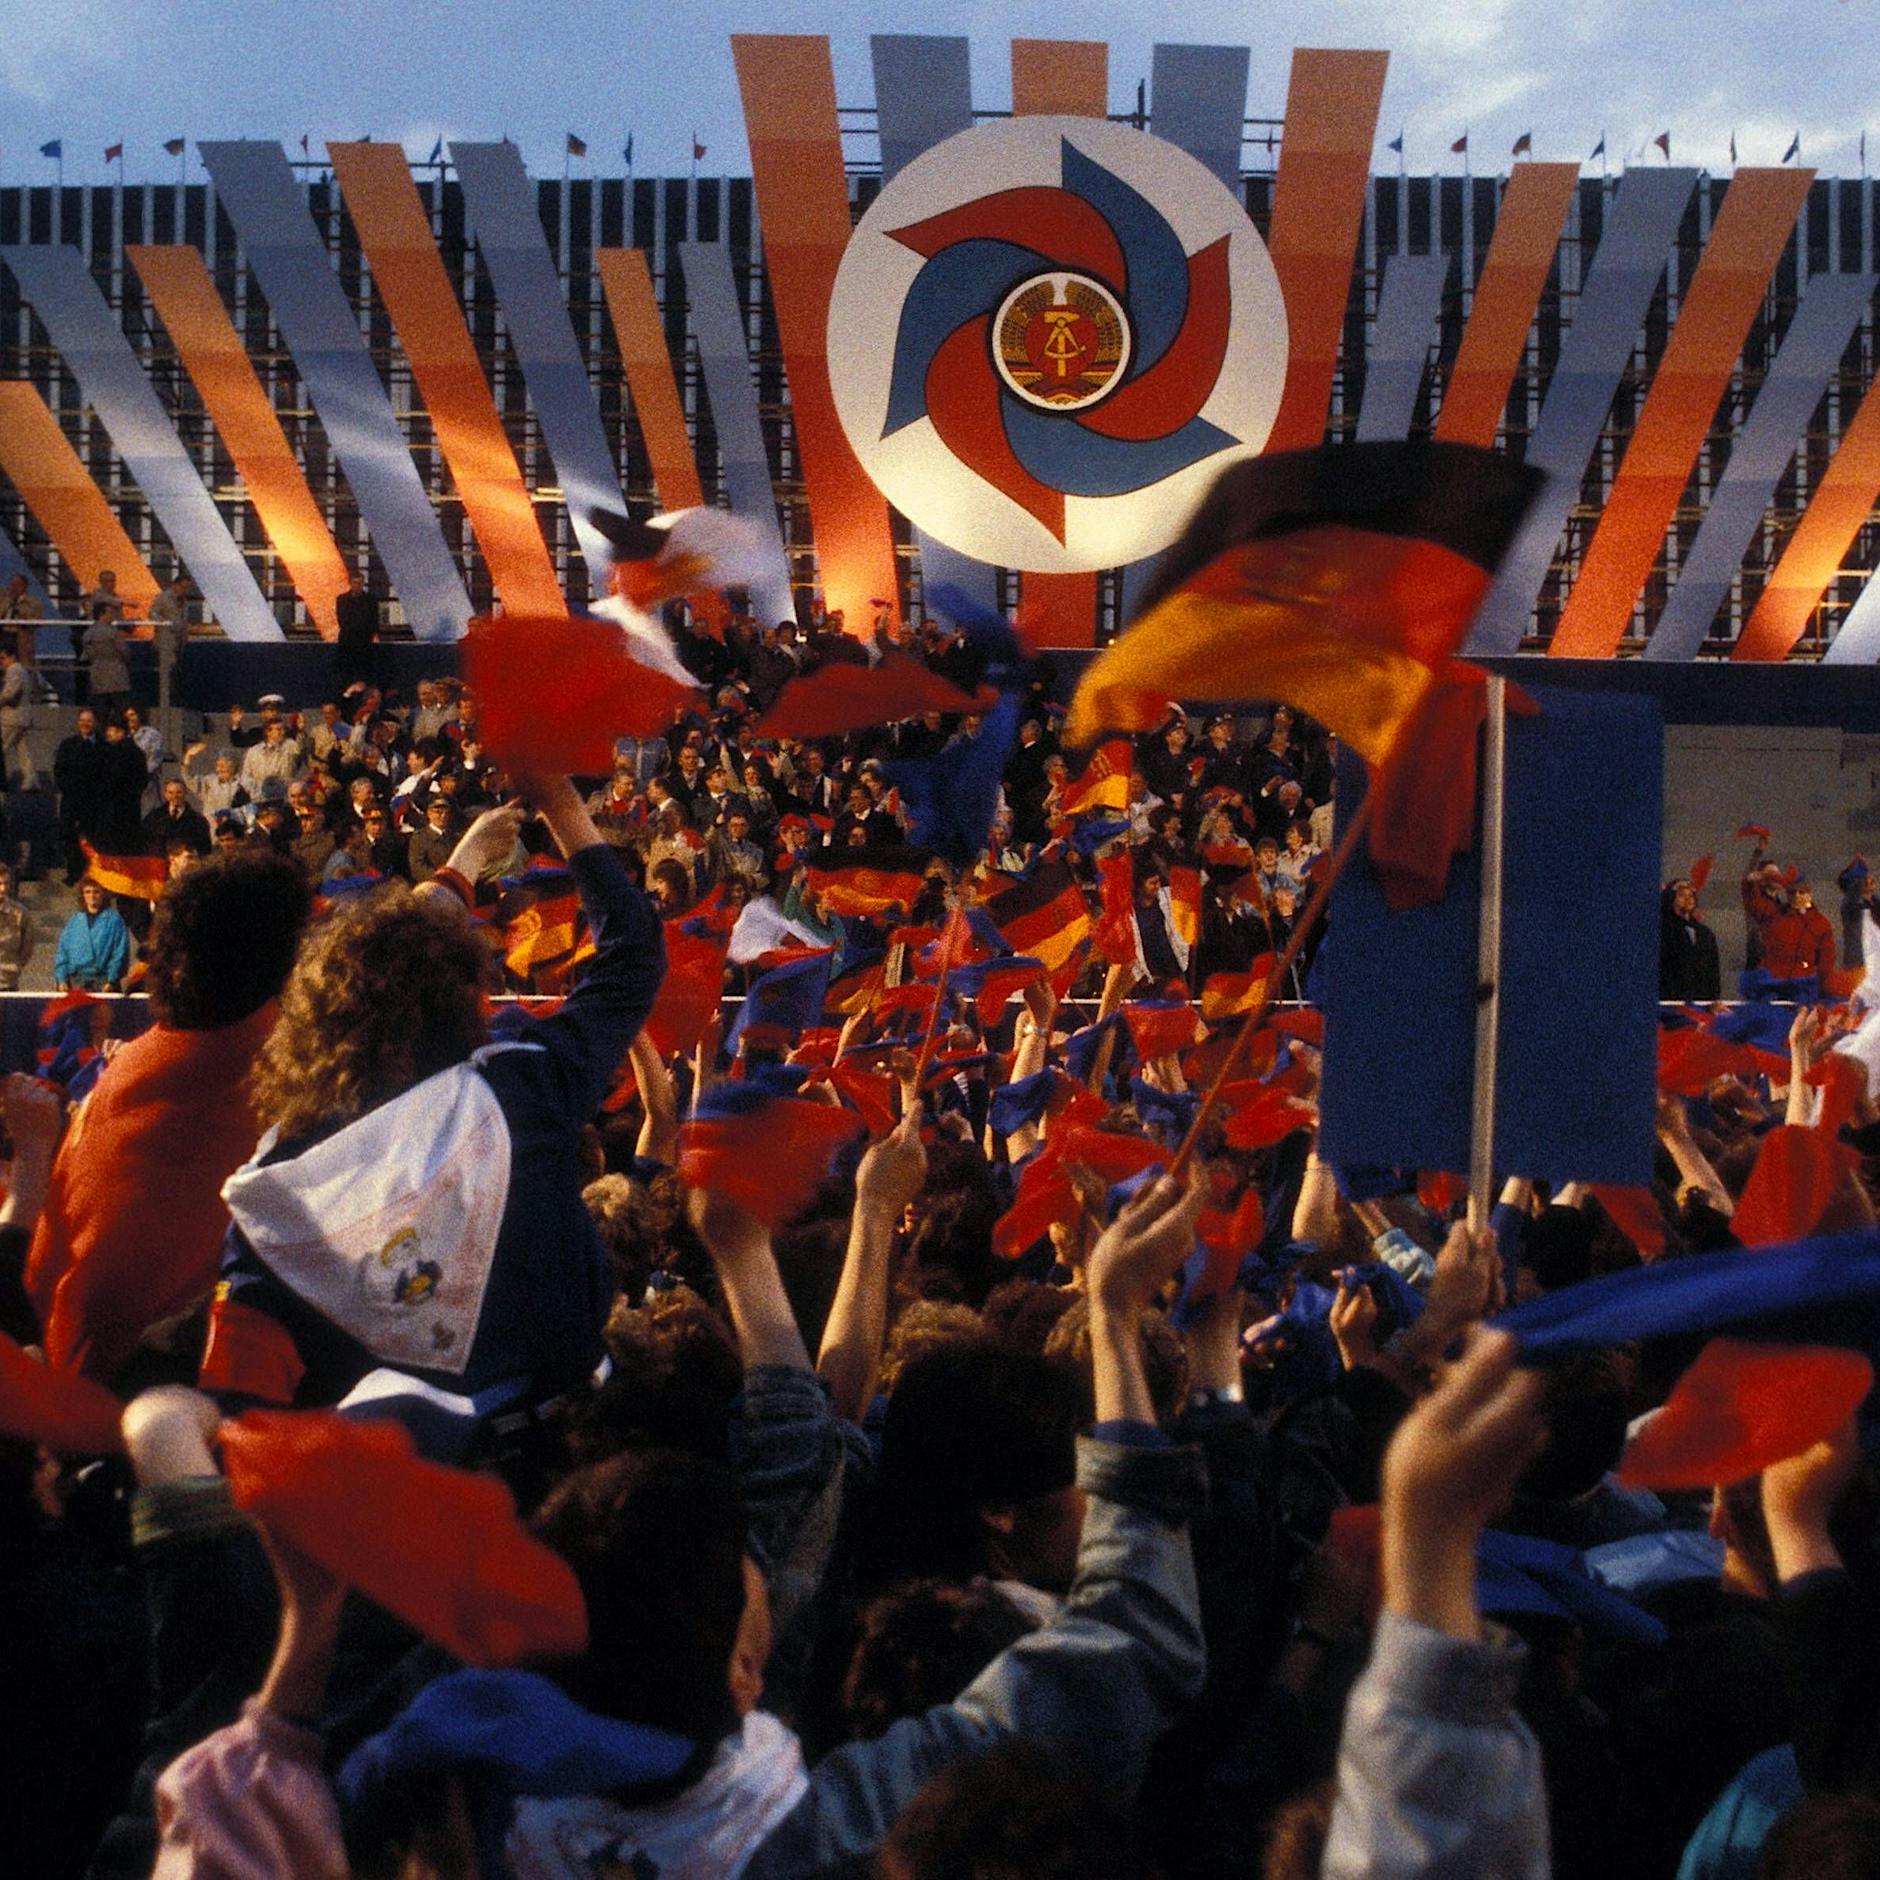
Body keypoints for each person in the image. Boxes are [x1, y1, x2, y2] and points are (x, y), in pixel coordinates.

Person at [196, 778, 665, 1414]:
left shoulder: (277, 1191)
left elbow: (239, 1403)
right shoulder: (520, 1087)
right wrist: (560, 804)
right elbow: (633, 952)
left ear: (312, 1022)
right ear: (459, 1000)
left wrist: (459, 867)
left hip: (377, 1495)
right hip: (557, 1466)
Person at [26, 850, 313, 1379]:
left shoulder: (129, 1068)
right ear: (288, 964)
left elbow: (43, 1275)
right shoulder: (281, 1079)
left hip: (64, 1368)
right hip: (148, 1406)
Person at [52, 705, 104, 883]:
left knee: (94, 837)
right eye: (82, 721)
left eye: (89, 721)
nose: (85, 724)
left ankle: (94, 872)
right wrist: (70, 789)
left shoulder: (103, 746)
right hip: (72, 800)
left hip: (95, 803)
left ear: (95, 723)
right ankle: (74, 871)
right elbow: (59, 771)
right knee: (68, 836)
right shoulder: (68, 745)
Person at [53, 875, 131, 991]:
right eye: (87, 892)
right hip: (76, 982)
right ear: (83, 895)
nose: (92, 896)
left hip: (103, 982)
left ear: (103, 894)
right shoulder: (75, 921)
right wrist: (61, 979)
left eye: (96, 892)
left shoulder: (114, 920)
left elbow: (120, 952)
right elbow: (63, 952)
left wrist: (111, 980)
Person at [1661, 875, 1722, 1002]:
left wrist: (1714, 1000)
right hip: (1672, 1004)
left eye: (1691, 895)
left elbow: (1713, 973)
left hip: (1702, 1005)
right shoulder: (1663, 931)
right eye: (1682, 895)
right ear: (1671, 899)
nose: (1688, 899)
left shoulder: (1705, 934)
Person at [82, 602, 133, 721]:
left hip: (97, 678)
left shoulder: (88, 634)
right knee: (122, 714)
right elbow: (124, 652)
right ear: (101, 614)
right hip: (117, 676)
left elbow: (87, 655)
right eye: (110, 612)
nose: (113, 615)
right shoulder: (112, 632)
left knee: (100, 715)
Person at [140, 778, 211, 859]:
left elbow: (205, 850)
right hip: (159, 865)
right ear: (165, 794)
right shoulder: (154, 817)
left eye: (179, 792)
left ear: (185, 793)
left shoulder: (197, 820)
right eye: (171, 793)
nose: (175, 796)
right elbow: (143, 842)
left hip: (186, 867)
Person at [0, 637, 36, 791]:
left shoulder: (14, 670)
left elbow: (9, 694)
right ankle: (31, 779)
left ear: (12, 656)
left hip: (12, 717)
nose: (1, 661)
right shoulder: (21, 670)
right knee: (22, 750)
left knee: (2, 749)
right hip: (22, 716)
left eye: (3, 658)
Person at [334, 571, 378, 689]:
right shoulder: (342, 599)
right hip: (347, 644)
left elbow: (374, 621)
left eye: (360, 583)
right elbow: (342, 621)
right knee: (345, 676)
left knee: (364, 676)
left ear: (363, 583)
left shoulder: (371, 600)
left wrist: (366, 634)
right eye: (355, 582)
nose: (357, 585)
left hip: (364, 645)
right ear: (350, 583)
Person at [0, 860, 34, 990]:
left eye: (6, 884)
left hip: (8, 982)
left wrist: (15, 967)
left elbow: (27, 947)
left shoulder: (20, 913)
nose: (3, 889)